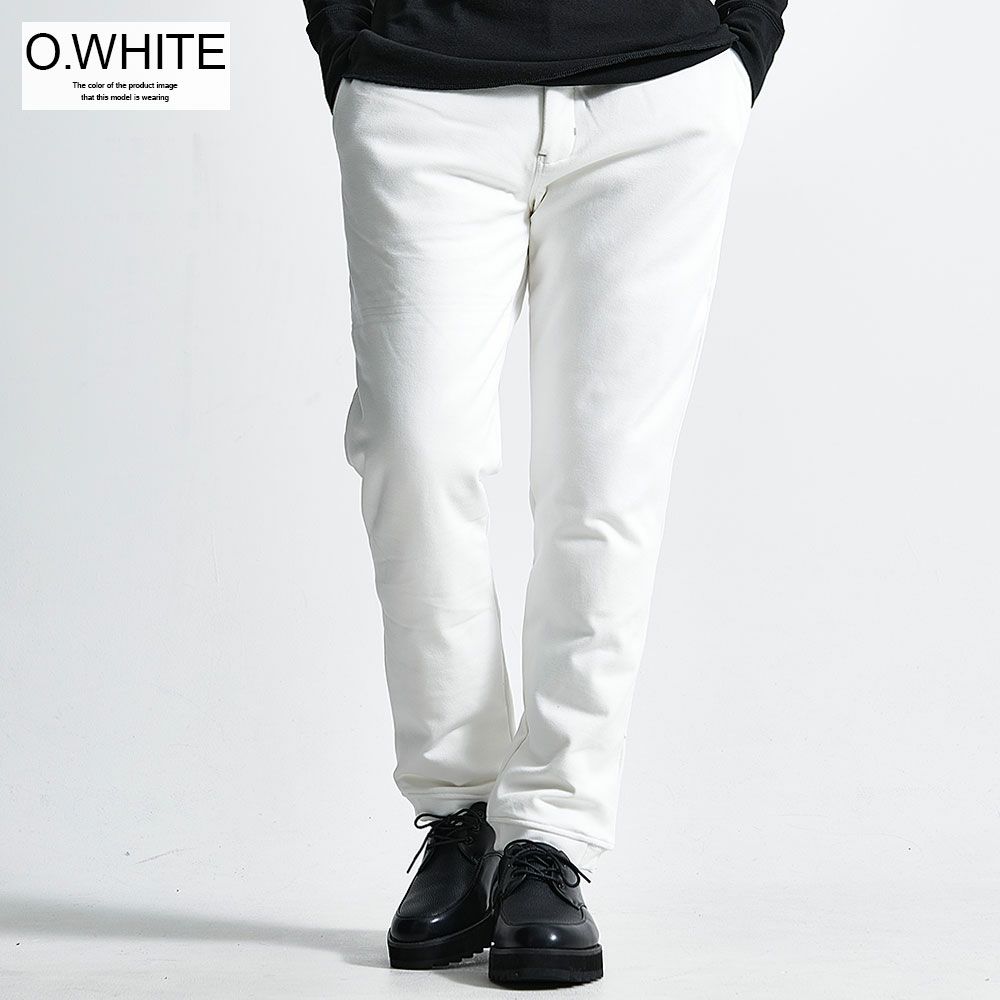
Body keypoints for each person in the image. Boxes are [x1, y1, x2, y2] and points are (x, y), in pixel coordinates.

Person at [302, 0, 786, 986]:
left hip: (659, 86)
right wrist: (347, 37)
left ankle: (550, 838)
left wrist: (743, 34)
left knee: (604, 481)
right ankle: (460, 815)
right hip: (421, 78)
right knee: (415, 448)